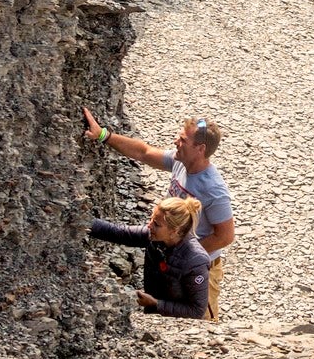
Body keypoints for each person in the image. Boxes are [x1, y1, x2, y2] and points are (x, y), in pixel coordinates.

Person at [82, 109, 235, 320]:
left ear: (200, 149)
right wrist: (103, 135)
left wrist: (183, 256)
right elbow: (143, 153)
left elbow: (225, 236)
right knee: (160, 314)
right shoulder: (180, 161)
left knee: (198, 324)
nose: (175, 141)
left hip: (197, 270)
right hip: (168, 250)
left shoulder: (213, 189)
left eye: (182, 139)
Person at [91, 197, 209, 319]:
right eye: (151, 219)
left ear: (174, 231)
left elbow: (197, 311)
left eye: (156, 224)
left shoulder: (196, 261)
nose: (149, 225)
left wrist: (156, 304)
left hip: (177, 326)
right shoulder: (154, 238)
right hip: (153, 315)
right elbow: (119, 233)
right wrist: (86, 222)